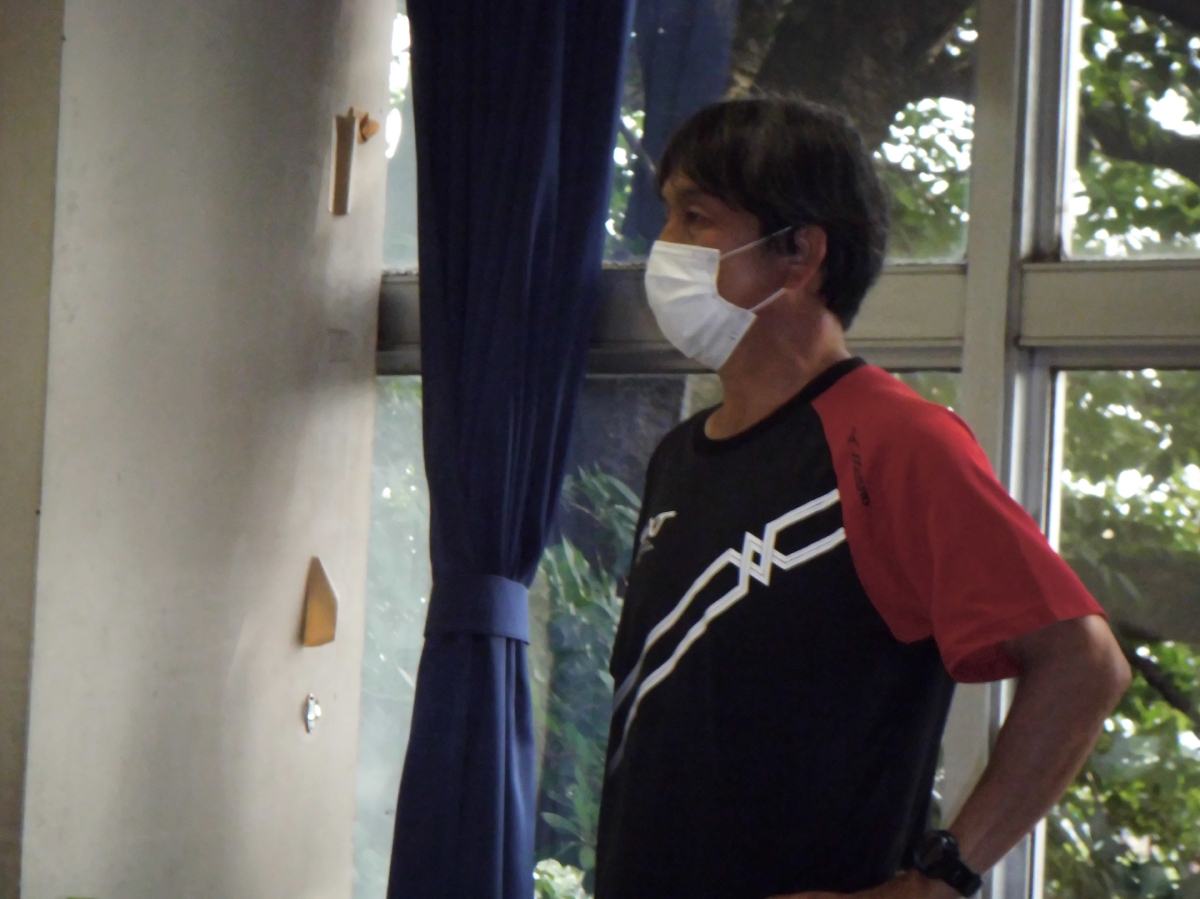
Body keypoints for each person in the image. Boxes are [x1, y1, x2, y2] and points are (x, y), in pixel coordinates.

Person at [592, 96, 1131, 899]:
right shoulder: (680, 455)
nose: (664, 245)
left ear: (800, 252)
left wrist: (937, 880)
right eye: (667, 214)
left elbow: (1084, 663)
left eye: (695, 217)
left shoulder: (894, 437)